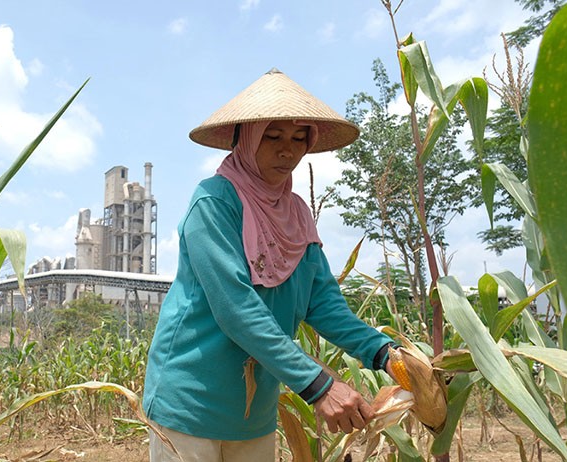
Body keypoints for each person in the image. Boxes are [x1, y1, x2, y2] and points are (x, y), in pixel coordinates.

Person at [142, 68, 400, 462]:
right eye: (273, 136)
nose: (289, 150)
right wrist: (318, 386)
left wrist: (387, 354)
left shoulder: (296, 213)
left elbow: (324, 304)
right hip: (190, 403)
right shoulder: (213, 204)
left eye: (300, 138)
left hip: (252, 408)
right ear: (244, 139)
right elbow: (237, 310)